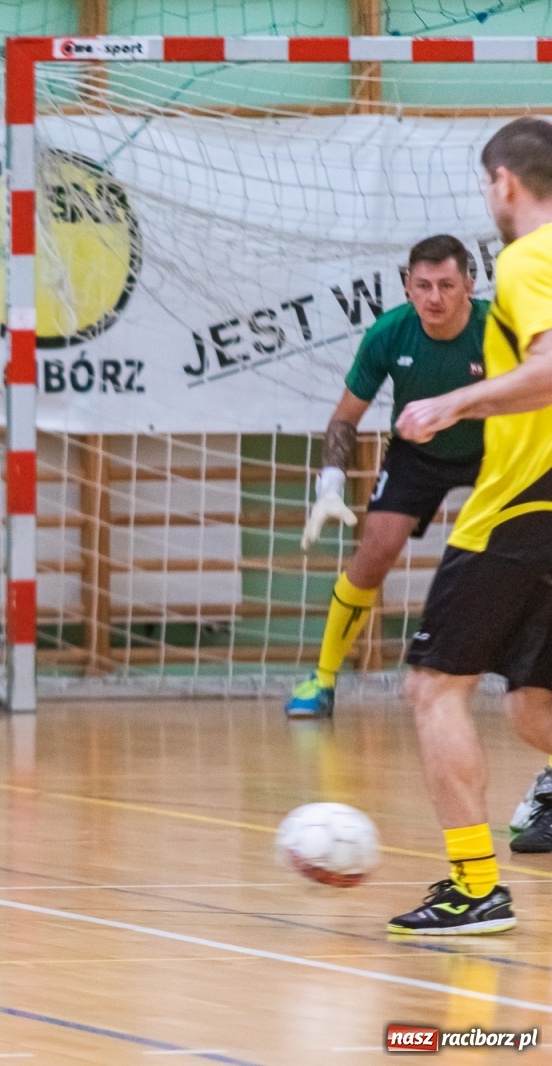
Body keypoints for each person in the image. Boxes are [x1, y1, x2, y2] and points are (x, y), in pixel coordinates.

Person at [387, 116, 552, 935]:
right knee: (534, 704)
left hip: (526, 498)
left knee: (432, 688)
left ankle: (475, 886)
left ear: (504, 184)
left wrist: (453, 401)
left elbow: (551, 370)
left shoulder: (528, 259)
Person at [290, 236, 487, 718]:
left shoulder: (497, 330)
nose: (434, 297)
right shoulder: (388, 333)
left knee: (520, 558)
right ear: (406, 287)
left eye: (446, 285)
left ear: (469, 285)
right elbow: (345, 418)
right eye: (422, 285)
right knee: (374, 552)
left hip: (494, 450)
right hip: (416, 454)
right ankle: (323, 678)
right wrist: (329, 486)